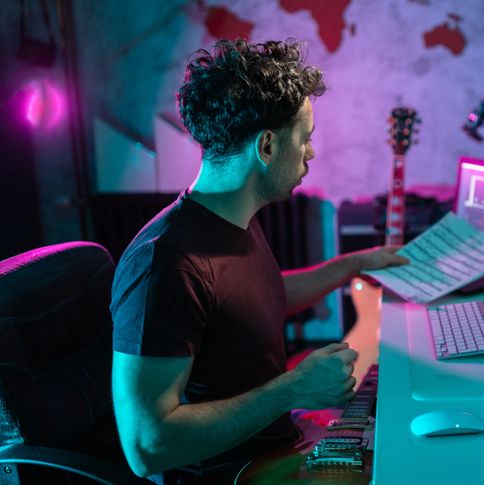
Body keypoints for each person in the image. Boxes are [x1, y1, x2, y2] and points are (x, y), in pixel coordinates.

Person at [109, 38, 407, 483]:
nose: (311, 153)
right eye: (304, 139)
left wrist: (354, 264)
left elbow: (252, 300)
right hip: (235, 473)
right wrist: (294, 389)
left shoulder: (235, 215)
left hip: (278, 443)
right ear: (266, 147)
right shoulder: (164, 264)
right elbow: (147, 445)